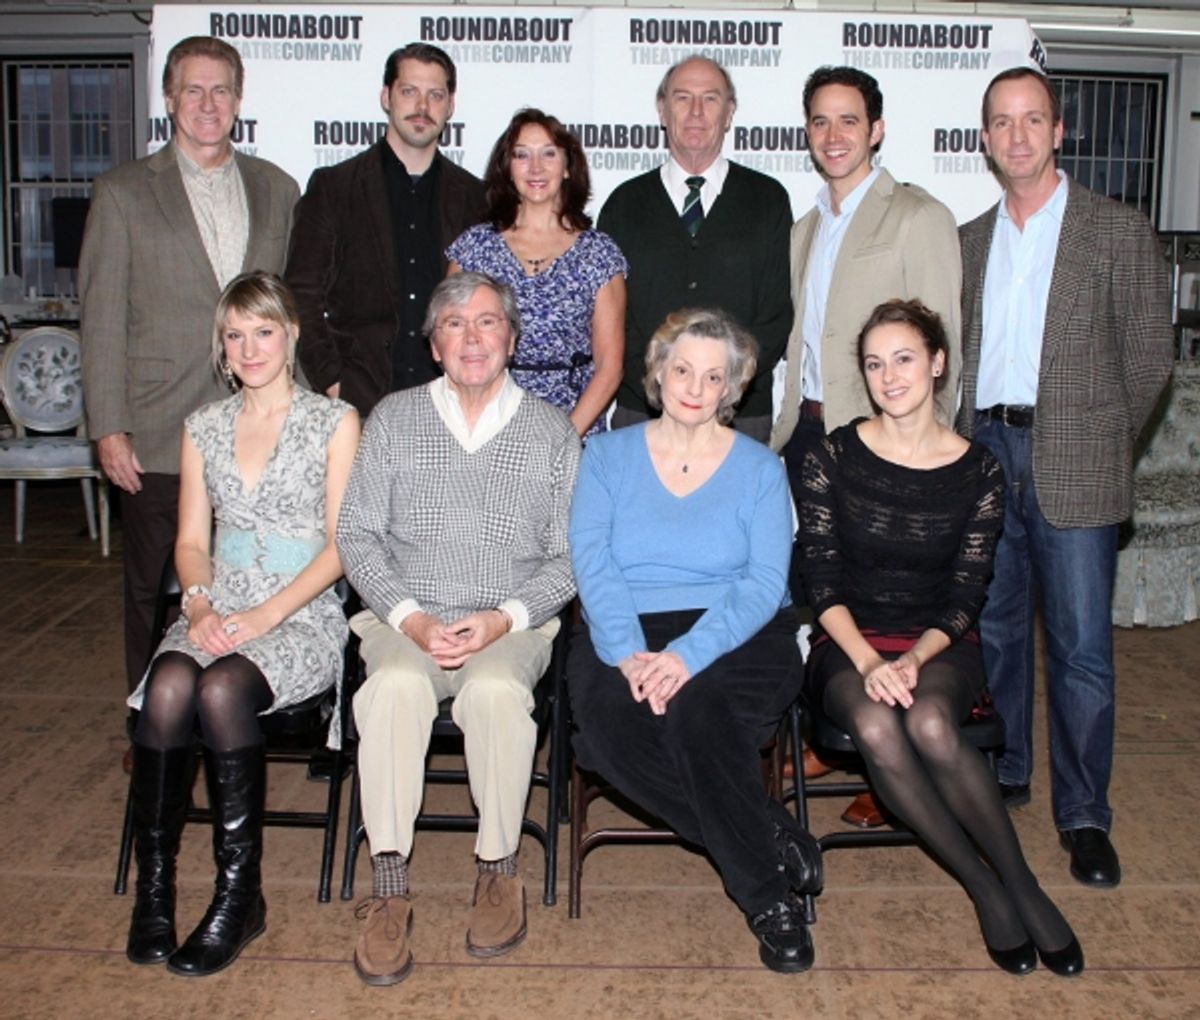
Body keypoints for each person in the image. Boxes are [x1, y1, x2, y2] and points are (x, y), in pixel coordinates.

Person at [799, 298, 1083, 977]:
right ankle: (986, 887)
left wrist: (915, 657)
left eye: (903, 358)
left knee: (928, 719)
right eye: (874, 364)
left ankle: (1021, 884)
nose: (889, 376)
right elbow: (820, 580)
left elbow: (967, 594)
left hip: (941, 643)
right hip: (848, 642)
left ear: (937, 362)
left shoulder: (978, 469)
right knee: (876, 722)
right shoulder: (832, 455)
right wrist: (872, 662)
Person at [959, 67, 1174, 888]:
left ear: (1058, 131)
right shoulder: (970, 239)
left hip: (1074, 455)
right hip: (986, 452)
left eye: (1032, 120)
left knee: (1082, 651)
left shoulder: (1116, 230)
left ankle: (1085, 816)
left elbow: (1150, 360)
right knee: (1000, 631)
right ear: (985, 139)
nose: (1017, 136)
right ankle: (1009, 770)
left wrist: (1095, 436)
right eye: (1001, 123)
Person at [336, 272, 579, 986]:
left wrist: (503, 618)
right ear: (433, 343)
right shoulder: (393, 418)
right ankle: (388, 888)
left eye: (487, 323)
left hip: (509, 621)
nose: (472, 338)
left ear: (512, 336)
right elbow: (356, 534)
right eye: (454, 325)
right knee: (391, 693)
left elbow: (571, 556)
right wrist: (410, 619)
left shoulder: (551, 431)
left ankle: (498, 868)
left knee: (498, 695)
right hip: (402, 615)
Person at [568, 308, 820, 974]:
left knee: (701, 712)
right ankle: (767, 834)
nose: (694, 386)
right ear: (657, 372)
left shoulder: (760, 470)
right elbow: (592, 562)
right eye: (683, 369)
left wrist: (686, 656)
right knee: (603, 737)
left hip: (738, 628)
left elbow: (765, 583)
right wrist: (627, 653)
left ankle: (767, 899)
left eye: (713, 376)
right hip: (625, 623)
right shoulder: (605, 455)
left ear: (731, 389)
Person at [124, 272, 360, 977]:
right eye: (235, 335)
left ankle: (239, 895)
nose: (250, 347)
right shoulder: (202, 425)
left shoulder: (334, 421)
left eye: (263, 331)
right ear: (221, 349)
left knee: (221, 690)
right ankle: (156, 891)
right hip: (216, 602)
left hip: (300, 611)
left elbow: (342, 545)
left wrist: (264, 613)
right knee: (168, 683)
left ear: (289, 335)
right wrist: (198, 604)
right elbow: (191, 540)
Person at [769, 65, 963, 828]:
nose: (834, 135)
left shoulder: (919, 216)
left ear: (876, 129)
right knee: (819, 595)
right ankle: (834, 734)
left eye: (848, 120)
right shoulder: (804, 225)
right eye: (819, 121)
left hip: (887, 441)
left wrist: (926, 462)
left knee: (891, 596)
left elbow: (941, 347)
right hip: (809, 433)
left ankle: (894, 767)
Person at [81, 36, 299, 705]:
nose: (208, 104)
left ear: (239, 99)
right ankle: (149, 719)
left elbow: (288, 306)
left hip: (258, 430)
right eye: (194, 90)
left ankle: (236, 703)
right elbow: (101, 314)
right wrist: (109, 426)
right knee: (153, 586)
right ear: (170, 98)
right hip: (154, 427)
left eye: (222, 90)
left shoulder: (277, 189)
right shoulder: (122, 193)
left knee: (251, 577)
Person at [285, 43, 486, 418]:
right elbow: (300, 294)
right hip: (358, 404)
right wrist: (333, 381)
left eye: (435, 95)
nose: (422, 107)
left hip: (452, 406)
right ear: (386, 97)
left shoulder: (477, 199)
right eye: (409, 92)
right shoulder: (335, 187)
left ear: (450, 105)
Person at [597, 56, 792, 442]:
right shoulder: (624, 203)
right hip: (643, 411)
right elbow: (612, 320)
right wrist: (662, 387)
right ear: (662, 110)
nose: (697, 112)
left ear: (730, 111)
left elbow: (775, 316)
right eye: (683, 98)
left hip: (741, 416)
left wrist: (722, 385)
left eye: (711, 99)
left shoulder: (767, 199)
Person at [447, 108, 626, 438]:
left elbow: (609, 367)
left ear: (568, 166)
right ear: (507, 167)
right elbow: (450, 345)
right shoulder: (473, 249)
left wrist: (563, 438)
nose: (536, 167)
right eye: (521, 155)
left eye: (548, 154)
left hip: (574, 429)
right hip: (486, 427)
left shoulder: (599, 254)